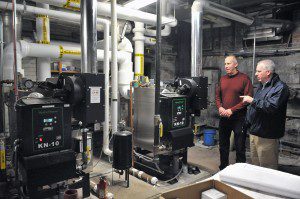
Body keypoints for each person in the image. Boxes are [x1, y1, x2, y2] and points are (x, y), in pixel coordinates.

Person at [241, 59, 289, 170]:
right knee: (256, 166)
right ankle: (257, 186)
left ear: (267, 72)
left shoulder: (280, 88)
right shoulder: (261, 86)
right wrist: (247, 123)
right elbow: (255, 109)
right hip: (255, 132)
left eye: (258, 71)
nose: (255, 74)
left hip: (267, 135)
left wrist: (252, 101)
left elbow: (271, 107)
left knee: (268, 168)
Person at [216, 55, 253, 170]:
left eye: (229, 63)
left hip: (239, 118)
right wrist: (220, 107)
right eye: (225, 64)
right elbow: (218, 96)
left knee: (240, 146)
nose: (226, 66)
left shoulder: (244, 79)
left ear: (235, 64)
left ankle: (240, 171)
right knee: (223, 145)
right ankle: (223, 167)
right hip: (224, 117)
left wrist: (232, 110)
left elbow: (247, 99)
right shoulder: (222, 79)